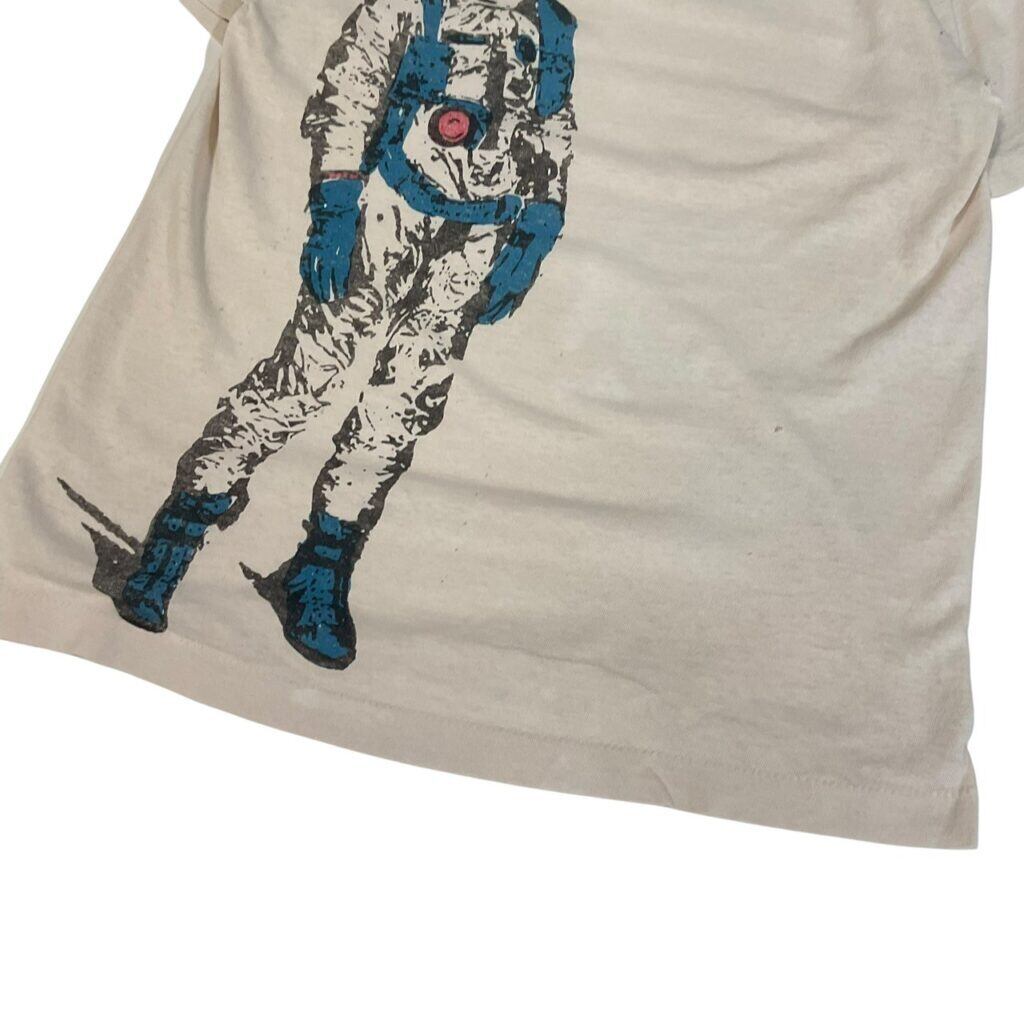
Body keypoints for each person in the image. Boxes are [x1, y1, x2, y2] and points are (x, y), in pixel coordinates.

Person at [117, 0, 577, 668]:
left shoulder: (549, 26)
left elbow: (553, 123)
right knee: (301, 379)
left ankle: (319, 570)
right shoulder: (409, 6)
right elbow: (353, 88)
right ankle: (176, 537)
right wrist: (335, 202)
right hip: (387, 210)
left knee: (403, 408)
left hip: (479, 237)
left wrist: (539, 224)